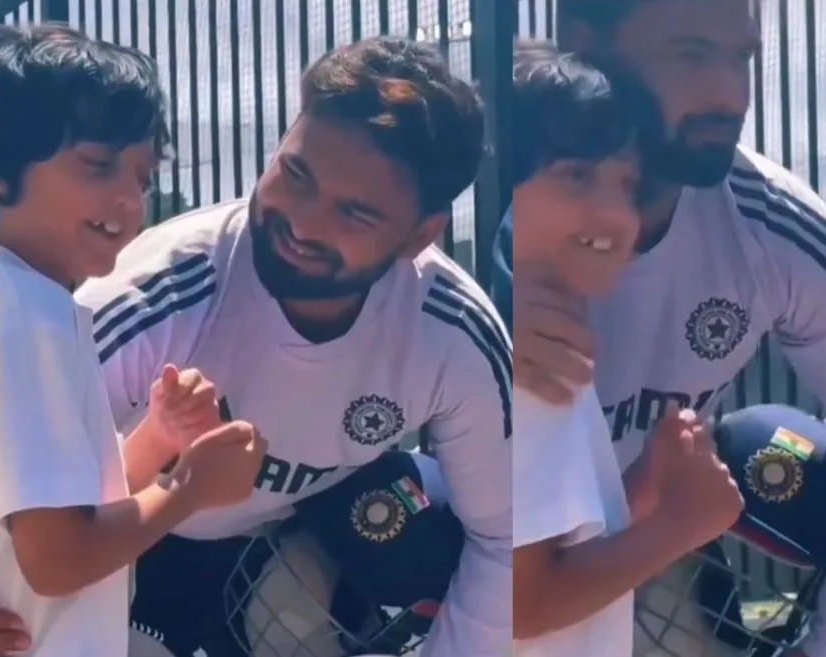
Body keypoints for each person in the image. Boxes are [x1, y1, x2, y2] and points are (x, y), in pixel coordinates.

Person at [31, 35, 505, 657]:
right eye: (296, 173)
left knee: (426, 533)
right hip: (149, 543)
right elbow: (39, 526)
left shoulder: (453, 327)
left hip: (311, 526)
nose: (304, 224)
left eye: (355, 214)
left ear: (421, 234)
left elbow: (507, 539)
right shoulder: (149, 300)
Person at [500, 1, 826, 655]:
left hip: (628, 532)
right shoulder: (468, 202)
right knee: (390, 519)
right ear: (585, 46)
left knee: (765, 453)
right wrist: (484, 324)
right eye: (690, 54)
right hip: (470, 545)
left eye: (742, 56)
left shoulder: (774, 228)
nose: (731, 93)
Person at [0, 24, 267, 656]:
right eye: (97, 165)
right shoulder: (32, 316)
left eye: (142, 177)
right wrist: (191, 485)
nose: (126, 198)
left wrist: (157, 439)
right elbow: (59, 559)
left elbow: (62, 506)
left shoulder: (24, 299)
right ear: (3, 167)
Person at [507, 42, 744, 657]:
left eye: (628, 183)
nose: (613, 210)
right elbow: (523, 604)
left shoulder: (550, 342)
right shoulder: (528, 367)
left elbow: (560, 547)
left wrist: (643, 485)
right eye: (577, 176)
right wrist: (679, 528)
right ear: (496, 184)